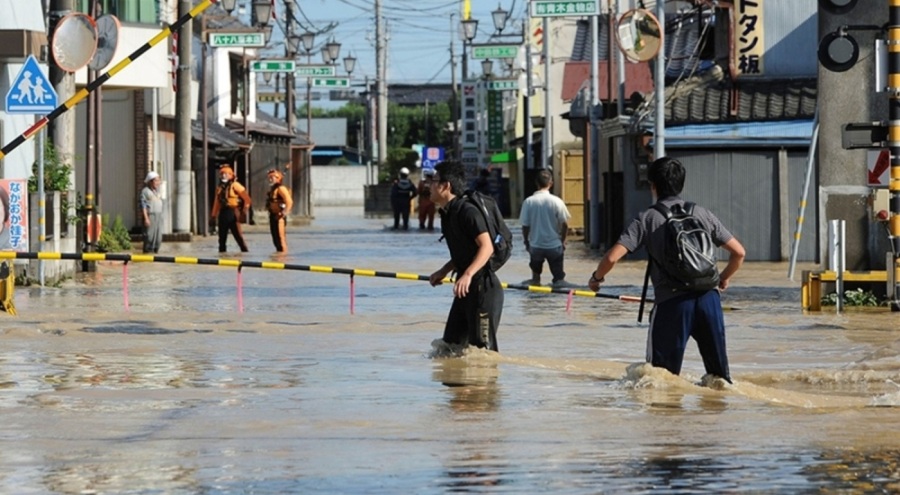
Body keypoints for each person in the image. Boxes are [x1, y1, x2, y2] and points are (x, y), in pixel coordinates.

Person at [587, 156, 745, 383]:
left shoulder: (647, 219)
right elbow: (739, 253)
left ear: (653, 186)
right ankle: (718, 408)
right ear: (682, 184)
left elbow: (612, 257)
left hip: (672, 304)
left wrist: (596, 278)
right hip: (709, 300)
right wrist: (723, 278)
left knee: (659, 381)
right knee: (720, 380)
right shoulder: (702, 213)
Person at [428, 160, 504, 352]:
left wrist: (468, 274)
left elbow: (487, 247)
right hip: (464, 289)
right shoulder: (448, 213)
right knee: (448, 349)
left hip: (483, 290)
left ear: (445, 186)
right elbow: (466, 251)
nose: (429, 185)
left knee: (483, 354)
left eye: (433, 181)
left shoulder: (468, 211)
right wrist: (444, 270)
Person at [519, 169, 572, 287]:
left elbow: (525, 226)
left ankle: (535, 282)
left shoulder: (528, 202)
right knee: (559, 281)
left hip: (536, 246)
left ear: (536, 183)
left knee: (535, 281)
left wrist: (526, 242)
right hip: (554, 246)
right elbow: (565, 225)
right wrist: (563, 241)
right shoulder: (557, 201)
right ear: (551, 183)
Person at [210, 165, 251, 253]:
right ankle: (222, 256)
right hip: (223, 213)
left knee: (238, 237)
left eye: (226, 174)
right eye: (222, 174)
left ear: (231, 175)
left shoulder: (235, 185)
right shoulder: (219, 188)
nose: (223, 176)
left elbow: (247, 199)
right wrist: (213, 216)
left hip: (233, 212)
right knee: (221, 239)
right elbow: (217, 203)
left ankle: (245, 254)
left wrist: (244, 211)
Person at [265, 168, 293, 252]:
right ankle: (278, 256)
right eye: (269, 177)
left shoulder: (281, 188)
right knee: (275, 240)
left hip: (279, 216)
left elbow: (289, 202)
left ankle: (284, 256)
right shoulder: (273, 189)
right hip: (272, 216)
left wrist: (283, 213)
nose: (270, 179)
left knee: (281, 239)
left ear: (278, 178)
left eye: (272, 177)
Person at [140, 171, 164, 254]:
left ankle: (156, 252)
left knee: (158, 238)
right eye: (156, 181)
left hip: (159, 216)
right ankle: (147, 252)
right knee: (149, 236)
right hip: (151, 216)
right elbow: (143, 205)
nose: (158, 183)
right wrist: (146, 218)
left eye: (159, 180)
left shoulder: (157, 192)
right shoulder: (145, 191)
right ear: (150, 181)